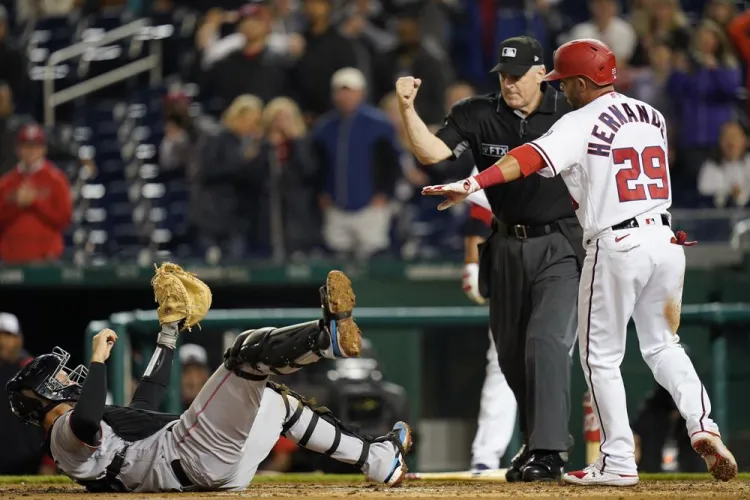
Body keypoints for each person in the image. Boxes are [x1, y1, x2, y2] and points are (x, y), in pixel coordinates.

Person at [422, 38, 738, 486]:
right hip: (665, 239)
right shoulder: (652, 114)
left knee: (599, 358)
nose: (560, 89)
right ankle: (702, 424)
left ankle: (618, 460)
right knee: (664, 346)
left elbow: (527, 158)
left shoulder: (580, 120)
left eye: (564, 80)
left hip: (617, 243)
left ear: (580, 81)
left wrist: (475, 185)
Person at [7, 265, 412, 492]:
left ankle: (378, 460)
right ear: (42, 392)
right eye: (58, 374)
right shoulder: (62, 431)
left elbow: (145, 402)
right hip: (191, 455)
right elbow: (85, 421)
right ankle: (326, 340)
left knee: (276, 403)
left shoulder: (91, 442)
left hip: (207, 471)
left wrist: (168, 335)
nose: (68, 374)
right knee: (244, 355)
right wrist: (97, 360)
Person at [396, 36, 581, 482]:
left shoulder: (571, 112)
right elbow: (433, 155)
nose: (510, 83)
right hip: (503, 243)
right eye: (503, 75)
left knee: (546, 341)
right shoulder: (477, 112)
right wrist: (406, 108)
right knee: (512, 353)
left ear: (542, 72)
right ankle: (535, 443)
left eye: (518, 75)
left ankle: (550, 451)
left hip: (562, 241)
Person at [313, 67, 400, 260]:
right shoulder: (324, 128)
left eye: (350, 90)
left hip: (371, 206)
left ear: (361, 92)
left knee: (372, 254)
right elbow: (318, 165)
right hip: (335, 206)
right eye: (340, 91)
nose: (345, 96)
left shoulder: (379, 125)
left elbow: (391, 163)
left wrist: (384, 193)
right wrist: (322, 192)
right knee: (337, 259)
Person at [462, 187, 517, 474]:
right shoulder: (495, 143)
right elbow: (478, 216)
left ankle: (546, 450)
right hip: (508, 265)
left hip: (563, 261)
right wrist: (472, 262)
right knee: (501, 364)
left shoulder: (566, 143)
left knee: (558, 360)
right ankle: (485, 457)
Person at [0, 124, 72, 263]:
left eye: (35, 146)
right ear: (18, 150)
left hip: (46, 259)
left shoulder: (56, 180)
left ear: (43, 149)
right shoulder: (7, 183)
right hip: (12, 260)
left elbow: (64, 218)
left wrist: (35, 202)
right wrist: (16, 204)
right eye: (26, 146)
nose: (31, 151)